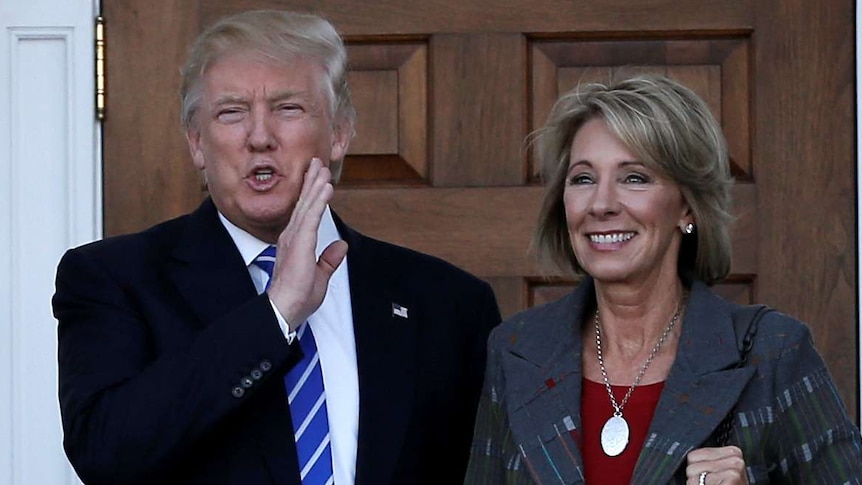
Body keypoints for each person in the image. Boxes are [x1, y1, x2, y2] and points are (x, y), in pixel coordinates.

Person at [54, 10, 501, 485]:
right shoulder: (112, 279)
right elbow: (105, 455)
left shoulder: (450, 303)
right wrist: (277, 314)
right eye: (231, 112)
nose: (260, 137)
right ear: (197, 143)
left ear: (339, 134)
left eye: (288, 108)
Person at [464, 74, 862, 484]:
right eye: (583, 178)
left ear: (687, 206)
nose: (601, 204)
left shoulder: (772, 353)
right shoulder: (517, 350)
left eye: (634, 177)